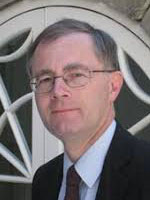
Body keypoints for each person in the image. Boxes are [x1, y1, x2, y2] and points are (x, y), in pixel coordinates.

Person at [29, 19, 150, 200]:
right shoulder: (45, 179)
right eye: (45, 79)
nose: (58, 91)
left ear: (113, 86)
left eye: (76, 75)